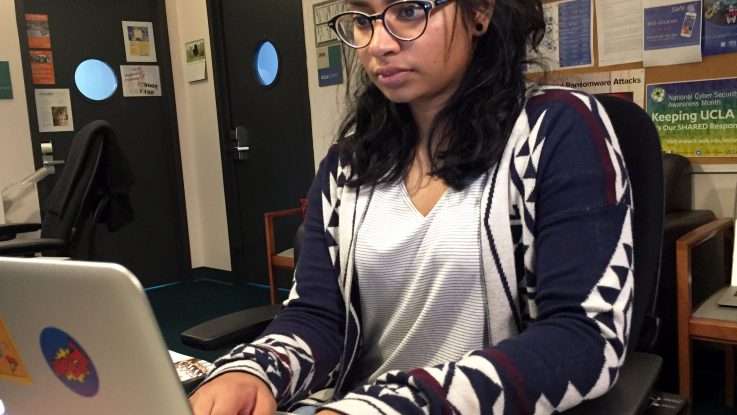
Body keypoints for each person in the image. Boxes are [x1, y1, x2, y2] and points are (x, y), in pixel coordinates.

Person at [190, 0, 633, 413]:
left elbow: (583, 339)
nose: (378, 45)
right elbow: (318, 316)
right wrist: (252, 372)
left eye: (407, 11)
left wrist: (388, 406)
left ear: (480, 11)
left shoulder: (556, 132)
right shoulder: (348, 163)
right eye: (362, 20)